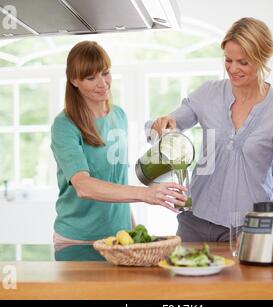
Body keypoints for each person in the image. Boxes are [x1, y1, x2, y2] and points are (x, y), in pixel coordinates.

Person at [147, 17, 273, 242]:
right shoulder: (209, 93)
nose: (233, 69)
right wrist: (162, 126)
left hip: (248, 228)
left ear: (262, 59)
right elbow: (169, 125)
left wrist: (265, 233)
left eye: (243, 62)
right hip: (194, 223)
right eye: (228, 60)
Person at [51, 41, 187, 243]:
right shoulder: (64, 125)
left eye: (105, 73)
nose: (102, 83)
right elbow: (84, 186)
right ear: (74, 80)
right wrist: (146, 194)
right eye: (91, 77)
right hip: (79, 239)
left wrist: (133, 231)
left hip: (120, 236)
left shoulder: (119, 115)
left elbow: (117, 181)